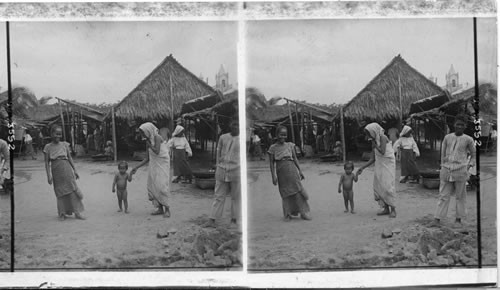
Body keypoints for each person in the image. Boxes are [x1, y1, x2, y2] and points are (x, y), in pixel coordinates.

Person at [429, 114, 476, 227]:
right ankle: (437, 219)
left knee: (460, 196)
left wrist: (470, 165)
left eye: (462, 125)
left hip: (461, 171)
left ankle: (458, 220)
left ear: (465, 126)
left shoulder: (468, 139)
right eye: (457, 124)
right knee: (443, 195)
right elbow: (443, 153)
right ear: (454, 124)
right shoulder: (447, 137)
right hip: (446, 170)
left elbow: (474, 154)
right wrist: (442, 166)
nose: (459, 127)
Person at [203, 119, 241, 228]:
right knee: (218, 196)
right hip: (222, 170)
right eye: (233, 124)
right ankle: (212, 219)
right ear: (230, 125)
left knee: (236, 197)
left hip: (236, 171)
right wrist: (217, 166)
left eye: (237, 125)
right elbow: (218, 152)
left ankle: (234, 220)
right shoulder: (223, 137)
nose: (235, 127)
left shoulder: (243, 139)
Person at [268, 125, 311, 221]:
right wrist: (273, 176)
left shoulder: (290, 145)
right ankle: (287, 214)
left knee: (297, 191)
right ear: (276, 135)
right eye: (281, 134)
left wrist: (300, 171)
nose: (283, 137)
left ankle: (303, 213)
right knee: (285, 193)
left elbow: (295, 158)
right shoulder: (272, 148)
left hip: (292, 170)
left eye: (285, 135)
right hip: (281, 173)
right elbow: (271, 163)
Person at [44, 125, 85, 221]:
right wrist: (48, 175)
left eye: (60, 134)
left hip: (66, 169)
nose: (58, 136)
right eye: (56, 133)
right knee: (60, 192)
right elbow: (46, 162)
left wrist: (75, 170)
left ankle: (77, 212)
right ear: (51, 134)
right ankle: (62, 213)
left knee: (72, 191)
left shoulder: (65, 145)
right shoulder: (47, 147)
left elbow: (70, 158)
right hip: (56, 171)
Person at [357, 123, 397, 218]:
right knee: (380, 186)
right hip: (380, 165)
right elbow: (373, 158)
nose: (368, 136)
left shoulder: (382, 137)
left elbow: (383, 152)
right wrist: (362, 168)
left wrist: (375, 145)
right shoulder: (374, 141)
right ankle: (386, 208)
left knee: (388, 186)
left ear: (373, 131)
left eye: (368, 133)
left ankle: (393, 209)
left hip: (388, 164)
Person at [131, 122, 171, 217]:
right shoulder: (147, 141)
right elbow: (147, 158)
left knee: (162, 186)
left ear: (148, 131)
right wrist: (136, 167)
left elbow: (157, 151)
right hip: (154, 165)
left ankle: (167, 209)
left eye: (143, 133)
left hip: (162, 164)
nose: (142, 135)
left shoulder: (157, 137)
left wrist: (149, 144)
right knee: (154, 186)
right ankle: (160, 208)